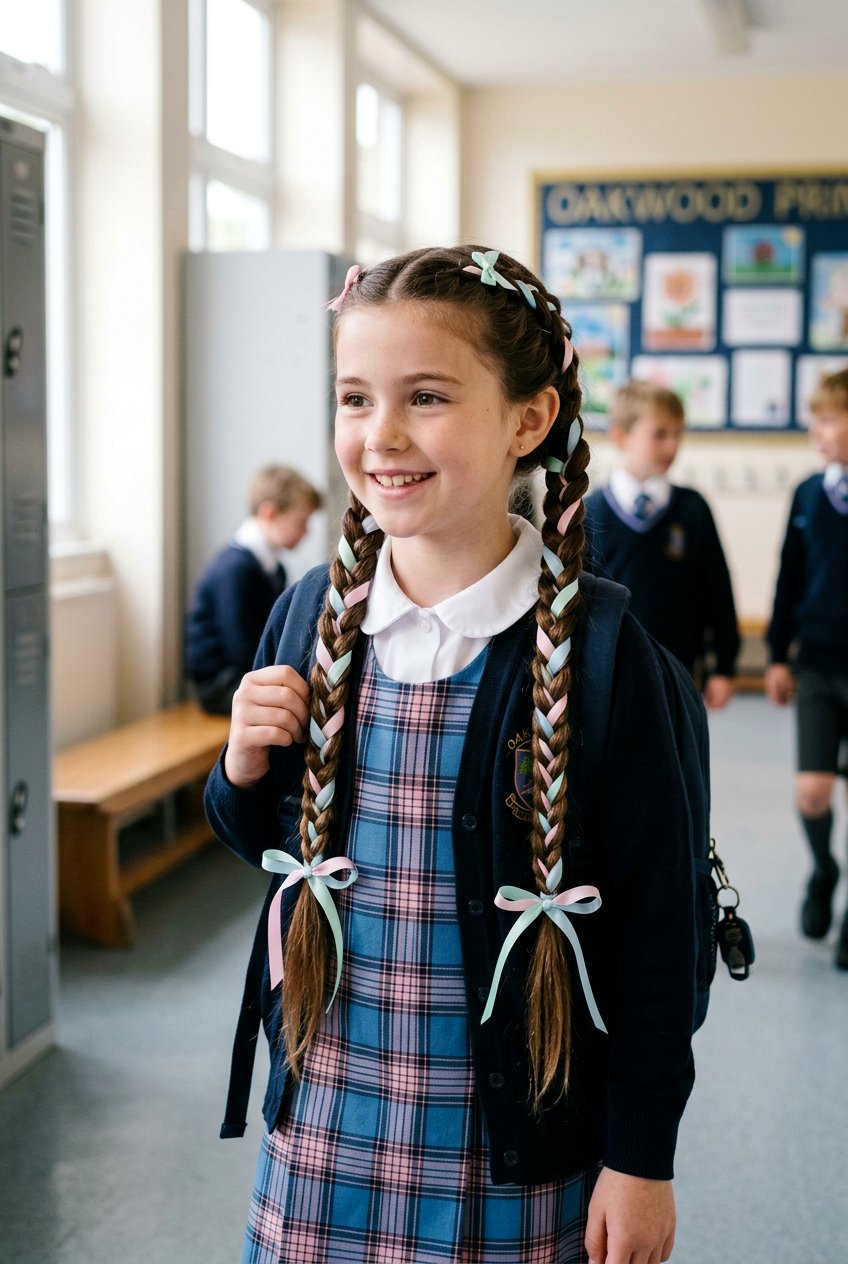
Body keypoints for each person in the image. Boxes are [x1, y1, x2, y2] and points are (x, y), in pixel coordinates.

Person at [205, 247, 698, 1264]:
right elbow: (269, 847)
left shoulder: (604, 655)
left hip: (508, 1152)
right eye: (353, 397)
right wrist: (239, 771)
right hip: (327, 1119)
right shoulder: (310, 612)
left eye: (424, 396)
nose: (379, 434)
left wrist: (640, 1157)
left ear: (529, 418)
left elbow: (663, 933)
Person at [583, 380, 739, 710]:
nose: (672, 445)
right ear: (621, 435)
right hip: (607, 670)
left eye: (678, 434)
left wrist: (724, 666)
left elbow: (718, 589)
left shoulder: (692, 508)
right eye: (660, 434)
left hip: (679, 667)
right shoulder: (590, 512)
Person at [765, 367, 848, 971]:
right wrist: (775, 654)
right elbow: (788, 579)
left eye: (830, 419)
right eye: (816, 419)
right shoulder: (808, 495)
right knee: (813, 791)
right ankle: (825, 868)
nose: (818, 431)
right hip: (818, 664)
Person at [184, 465, 322, 715]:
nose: (306, 531)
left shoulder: (272, 568)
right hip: (220, 684)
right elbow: (242, 648)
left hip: (243, 674)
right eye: (301, 521)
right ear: (269, 514)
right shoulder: (235, 569)